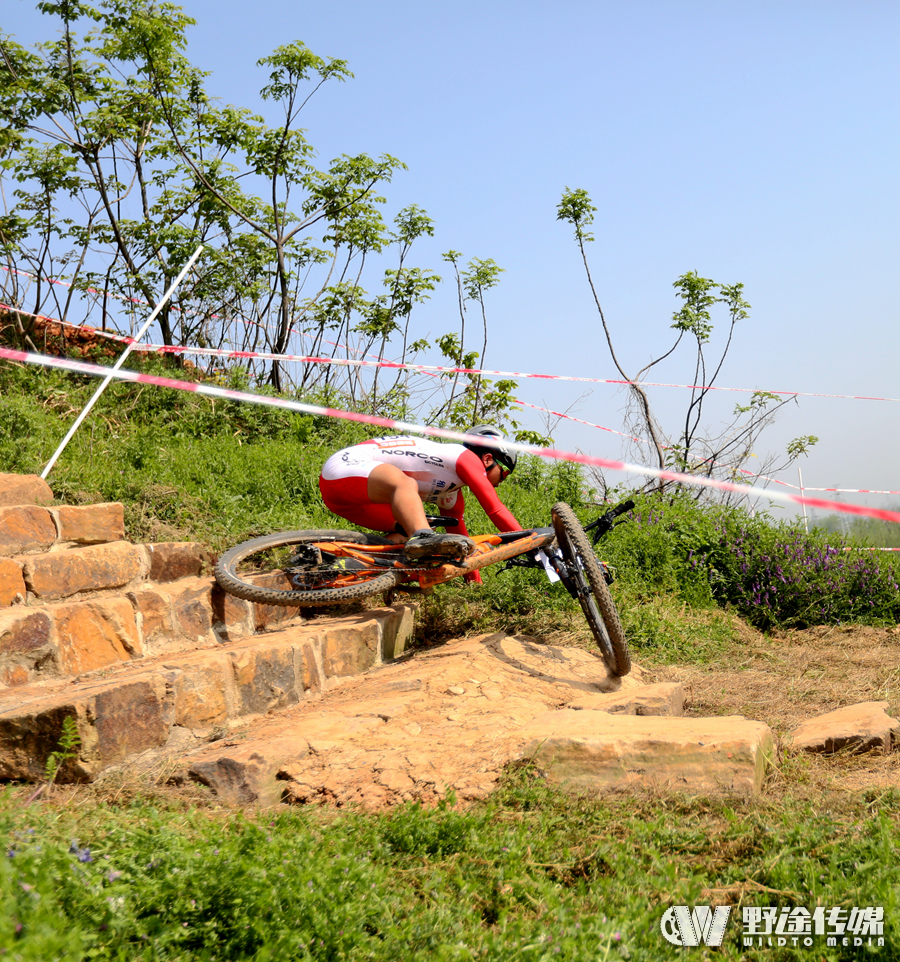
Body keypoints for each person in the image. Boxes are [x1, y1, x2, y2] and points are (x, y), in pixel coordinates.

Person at [318, 426, 522, 569]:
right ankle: (422, 537)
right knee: (407, 486)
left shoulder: (451, 496)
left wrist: (474, 584)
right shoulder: (466, 457)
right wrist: (530, 541)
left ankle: (348, 562)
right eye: (504, 472)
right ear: (487, 460)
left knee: (422, 524)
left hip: (349, 499)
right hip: (344, 467)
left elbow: (462, 546)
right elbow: (494, 509)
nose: (503, 480)